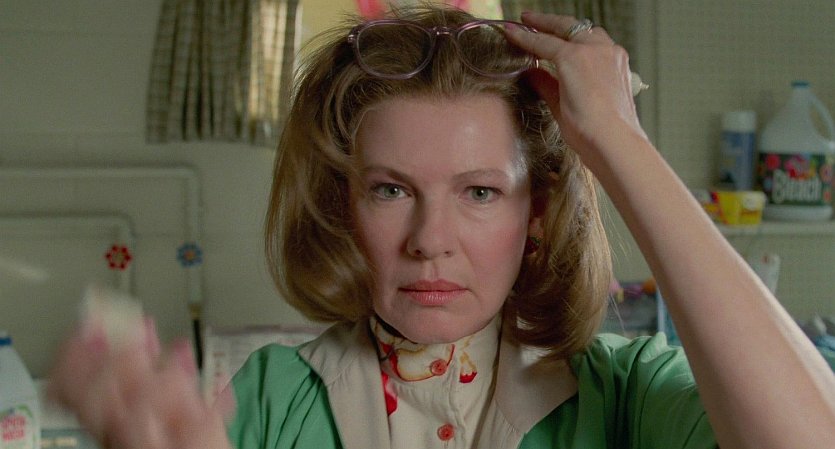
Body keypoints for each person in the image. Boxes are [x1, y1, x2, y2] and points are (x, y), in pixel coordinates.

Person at [48, 4, 835, 449]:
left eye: (480, 192)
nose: (429, 238)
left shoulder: (626, 394)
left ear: (536, 213)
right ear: (342, 206)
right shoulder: (269, 400)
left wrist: (620, 146)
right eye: (390, 189)